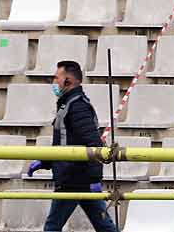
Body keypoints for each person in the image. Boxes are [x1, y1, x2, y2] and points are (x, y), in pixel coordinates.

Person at [25, 61, 118, 232]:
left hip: (73, 179)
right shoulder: (67, 104)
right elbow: (66, 144)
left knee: (52, 227)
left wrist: (95, 179)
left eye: (56, 77)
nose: (54, 82)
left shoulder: (77, 106)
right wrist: (45, 162)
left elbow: (94, 145)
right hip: (77, 177)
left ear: (67, 81)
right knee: (104, 226)